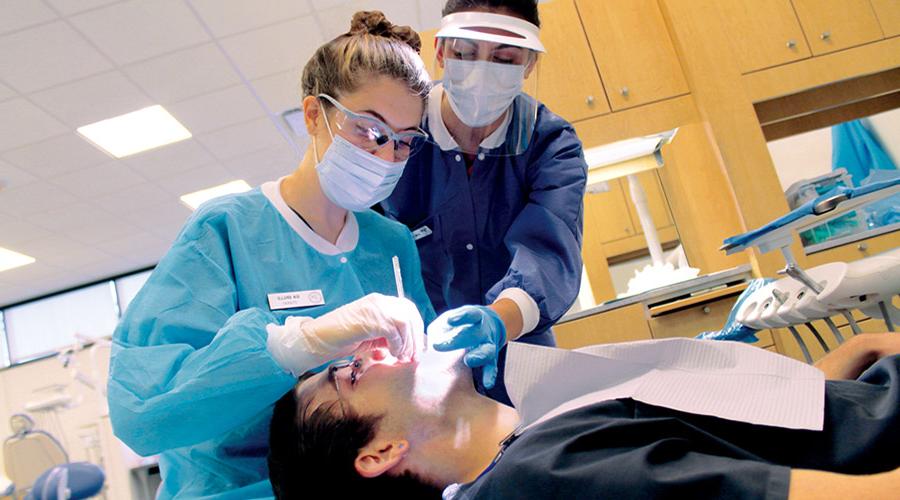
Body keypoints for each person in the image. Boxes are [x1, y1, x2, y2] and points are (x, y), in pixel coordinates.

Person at [107, 12, 436, 499]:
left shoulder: (391, 244)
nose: (386, 156)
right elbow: (143, 413)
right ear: (313, 115)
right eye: (370, 130)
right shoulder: (225, 231)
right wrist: (293, 345)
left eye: (405, 141)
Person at [268, 334, 900, 499]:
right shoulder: (539, 476)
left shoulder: (540, 432)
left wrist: (855, 356)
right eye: (350, 376)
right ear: (378, 453)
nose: (373, 350)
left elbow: (744, 430)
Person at [381, 0, 588, 400]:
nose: (480, 72)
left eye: (505, 59)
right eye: (464, 53)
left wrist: (498, 321)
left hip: (520, 349)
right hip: (421, 360)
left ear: (528, 64)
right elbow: (366, 245)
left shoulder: (550, 144)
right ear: (440, 52)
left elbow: (549, 250)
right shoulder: (401, 137)